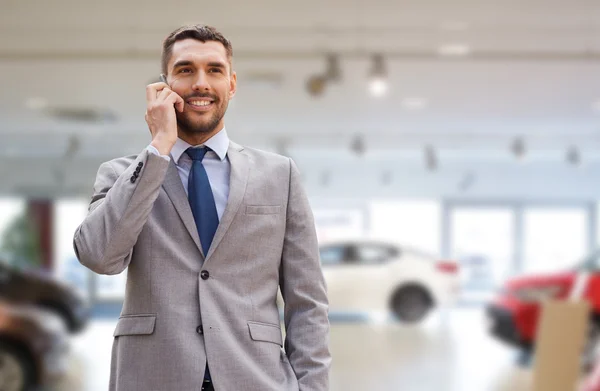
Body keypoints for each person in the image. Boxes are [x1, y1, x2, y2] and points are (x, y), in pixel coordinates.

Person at [73, 24, 331, 391]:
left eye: (214, 70)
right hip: (153, 377)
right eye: (185, 70)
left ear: (232, 83)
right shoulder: (122, 174)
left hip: (256, 377)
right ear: (164, 85)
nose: (200, 83)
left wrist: (312, 387)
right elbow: (99, 256)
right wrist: (159, 146)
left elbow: (307, 301)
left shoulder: (279, 175)